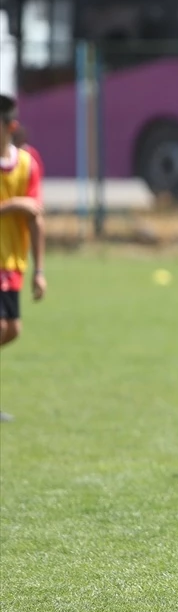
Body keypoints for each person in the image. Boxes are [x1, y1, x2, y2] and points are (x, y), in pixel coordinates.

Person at [0, 95, 48, 423]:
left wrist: (39, 270)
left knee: (13, 329)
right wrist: (12, 205)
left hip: (13, 262)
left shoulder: (29, 163)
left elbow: (36, 217)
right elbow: (22, 207)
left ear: (10, 127)